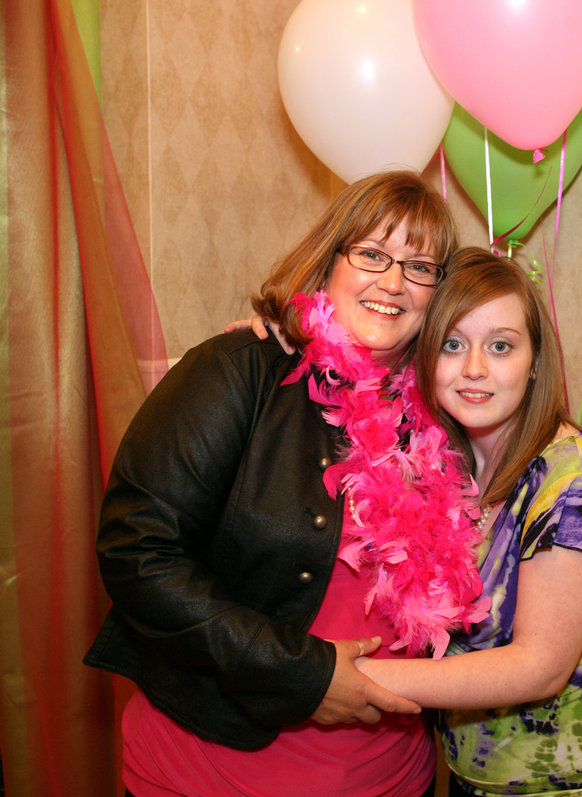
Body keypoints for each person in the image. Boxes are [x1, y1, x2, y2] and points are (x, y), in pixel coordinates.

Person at [83, 171, 490, 797]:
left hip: (393, 779)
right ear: (329, 261)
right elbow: (136, 552)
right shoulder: (238, 370)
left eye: (419, 267)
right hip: (211, 773)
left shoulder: (444, 409)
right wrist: (301, 674)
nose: (393, 282)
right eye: (373, 255)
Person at [355, 247, 582, 796]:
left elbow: (539, 668)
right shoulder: (441, 464)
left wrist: (350, 680)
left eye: (500, 346)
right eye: (453, 345)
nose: (475, 369)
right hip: (473, 778)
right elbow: (350, 375)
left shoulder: (575, 484)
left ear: (534, 362)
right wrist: (278, 340)